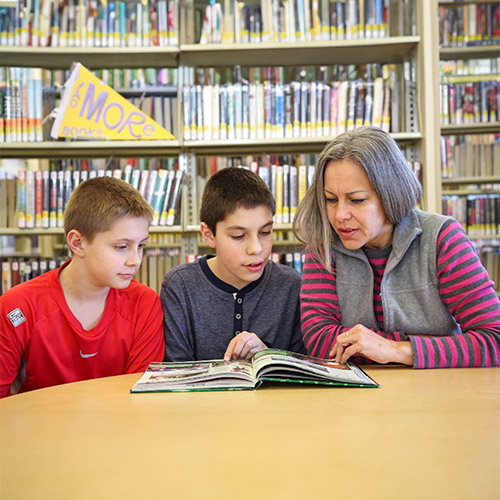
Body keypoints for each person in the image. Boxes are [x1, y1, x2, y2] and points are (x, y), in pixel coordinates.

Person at [293, 126, 500, 368]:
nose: (339, 215)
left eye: (356, 200)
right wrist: (436, 345)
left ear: (391, 194)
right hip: (354, 401)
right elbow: (319, 341)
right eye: (331, 199)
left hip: (434, 394)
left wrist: (395, 349)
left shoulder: (442, 239)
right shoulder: (322, 243)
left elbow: (494, 338)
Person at [0, 176, 165, 397]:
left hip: (120, 429)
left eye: (141, 245)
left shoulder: (145, 304)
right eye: (122, 247)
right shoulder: (18, 306)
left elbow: (140, 397)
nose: (135, 260)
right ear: (78, 243)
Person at [161, 167, 305, 362]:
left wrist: (268, 357)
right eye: (238, 236)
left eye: (265, 232)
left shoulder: (292, 285)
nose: (256, 249)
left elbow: (306, 373)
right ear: (208, 234)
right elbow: (174, 374)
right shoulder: (180, 286)